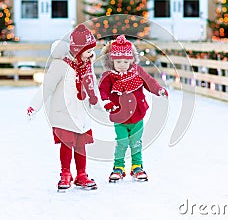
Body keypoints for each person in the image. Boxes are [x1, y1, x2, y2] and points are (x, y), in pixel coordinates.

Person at [26, 24, 99, 191]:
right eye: (88, 51)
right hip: (63, 113)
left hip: (80, 112)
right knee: (66, 145)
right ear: (79, 50)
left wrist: (102, 105)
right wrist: (34, 106)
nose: (91, 54)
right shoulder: (60, 65)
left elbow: (92, 86)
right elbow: (47, 87)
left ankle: (81, 174)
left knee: (80, 146)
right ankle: (65, 174)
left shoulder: (87, 65)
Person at [98, 35, 168, 182]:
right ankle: (118, 167)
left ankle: (137, 167)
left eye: (126, 61)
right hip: (119, 116)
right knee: (122, 142)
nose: (122, 64)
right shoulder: (109, 76)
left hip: (138, 115)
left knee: (136, 142)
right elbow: (103, 90)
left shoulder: (137, 72)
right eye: (118, 61)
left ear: (131, 59)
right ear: (111, 61)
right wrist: (107, 102)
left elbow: (149, 82)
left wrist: (159, 90)